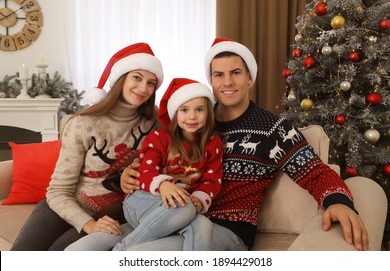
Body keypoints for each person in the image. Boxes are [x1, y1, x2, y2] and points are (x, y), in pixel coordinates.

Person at [67, 38, 369, 251]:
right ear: (210, 81)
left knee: (136, 257)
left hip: (225, 230)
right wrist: (124, 178)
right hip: (166, 215)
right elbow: (150, 162)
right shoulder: (193, 119)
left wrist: (338, 201)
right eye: (218, 75)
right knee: (83, 250)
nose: (227, 82)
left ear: (249, 78)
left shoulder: (274, 128)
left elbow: (314, 171)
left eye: (235, 73)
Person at [10, 42, 164, 251]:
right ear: (121, 78)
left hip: (113, 215)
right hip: (63, 207)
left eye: (151, 82)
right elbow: (57, 191)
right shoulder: (83, 123)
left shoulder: (154, 121)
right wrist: (88, 224)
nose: (143, 88)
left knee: (59, 256)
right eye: (137, 77)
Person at [112, 78, 223, 251]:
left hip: (180, 207)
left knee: (202, 225)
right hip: (141, 201)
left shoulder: (213, 143)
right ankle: (120, 252)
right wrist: (162, 185)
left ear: (208, 112)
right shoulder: (159, 138)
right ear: (175, 113)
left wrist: (200, 200)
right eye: (184, 110)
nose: (192, 116)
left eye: (199, 109)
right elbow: (145, 171)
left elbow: (212, 178)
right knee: (185, 207)